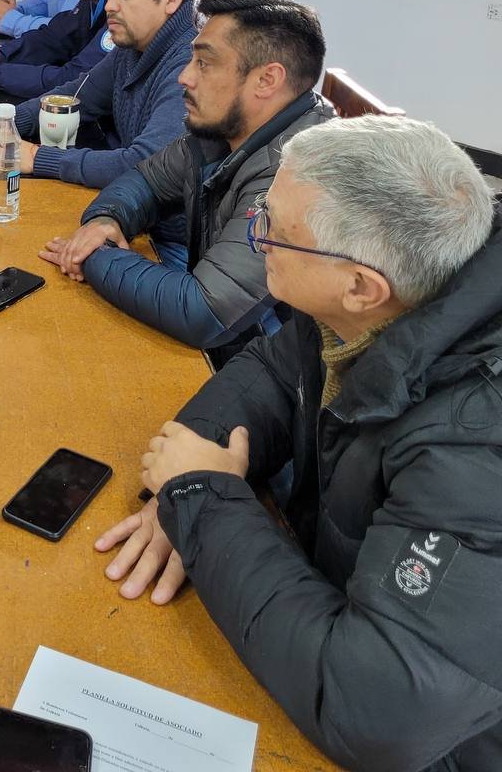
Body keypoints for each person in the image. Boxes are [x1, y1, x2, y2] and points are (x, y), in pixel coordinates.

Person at [96, 116, 502, 771]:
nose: (257, 240)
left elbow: (377, 711)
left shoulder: (477, 448)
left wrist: (203, 498)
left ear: (362, 287)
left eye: (276, 231)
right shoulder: (377, 301)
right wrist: (192, 473)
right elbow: (275, 369)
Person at [40, 0, 333, 356]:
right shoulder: (220, 132)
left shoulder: (295, 173)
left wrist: (92, 252)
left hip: (269, 366)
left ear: (266, 80)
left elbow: (203, 311)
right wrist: (105, 219)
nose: (184, 77)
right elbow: (143, 180)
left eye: (204, 63)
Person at [0, 0, 199, 257]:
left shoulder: (192, 66)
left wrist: (38, 157)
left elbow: (144, 164)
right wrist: (7, 122)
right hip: (132, 215)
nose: (110, 5)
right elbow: (76, 93)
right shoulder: (136, 42)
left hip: (174, 245)